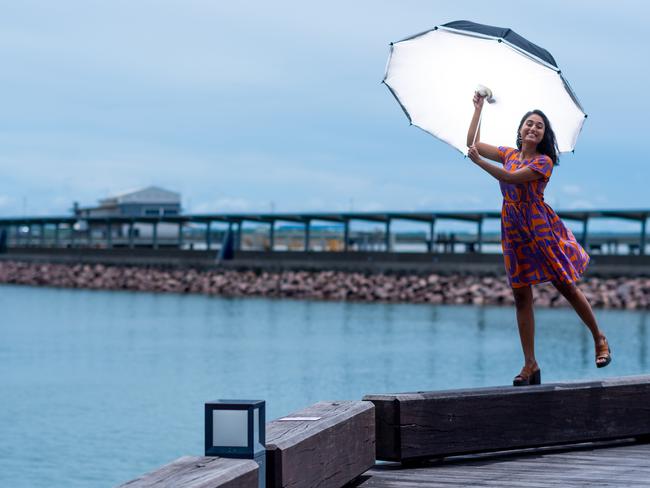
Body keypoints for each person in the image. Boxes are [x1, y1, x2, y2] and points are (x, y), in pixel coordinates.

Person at [466, 91, 611, 386]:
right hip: (512, 227)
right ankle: (530, 364)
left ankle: (600, 338)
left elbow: (509, 178)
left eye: (539, 126)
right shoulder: (508, 154)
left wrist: (479, 162)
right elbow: (473, 143)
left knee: (565, 286)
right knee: (521, 295)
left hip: (539, 227)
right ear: (520, 130)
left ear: (543, 135)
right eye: (529, 124)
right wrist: (478, 109)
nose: (533, 128)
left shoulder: (543, 162)